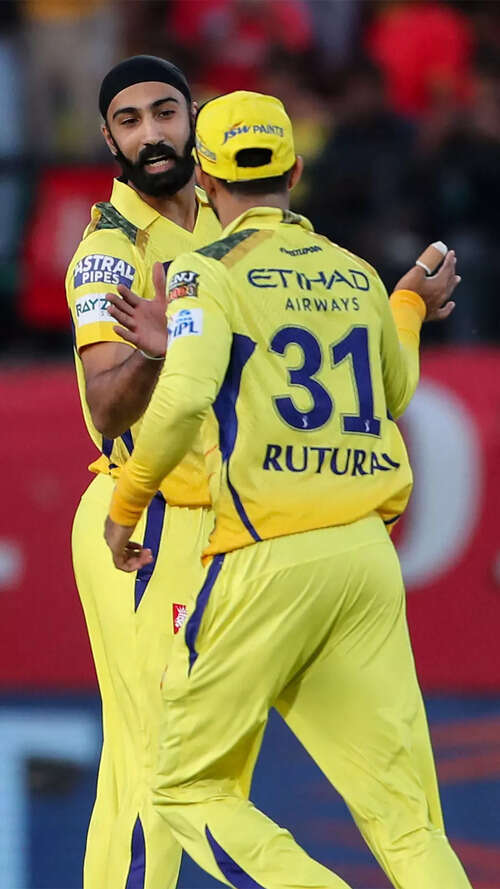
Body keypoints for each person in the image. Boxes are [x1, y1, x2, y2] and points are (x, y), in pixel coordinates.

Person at [104, 91, 470, 888]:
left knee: (184, 786)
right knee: (407, 821)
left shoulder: (205, 270)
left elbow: (184, 400)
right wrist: (408, 304)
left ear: (205, 180)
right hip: (366, 559)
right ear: (295, 171)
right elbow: (395, 390)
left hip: (268, 557)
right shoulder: (355, 273)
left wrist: (127, 502)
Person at [65, 55, 221, 889]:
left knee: (201, 748)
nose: (153, 134)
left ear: (193, 117)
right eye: (130, 121)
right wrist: (159, 350)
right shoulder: (109, 251)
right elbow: (107, 406)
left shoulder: (230, 219)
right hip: (142, 517)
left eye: (165, 112)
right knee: (149, 752)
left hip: (222, 515)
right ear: (108, 139)